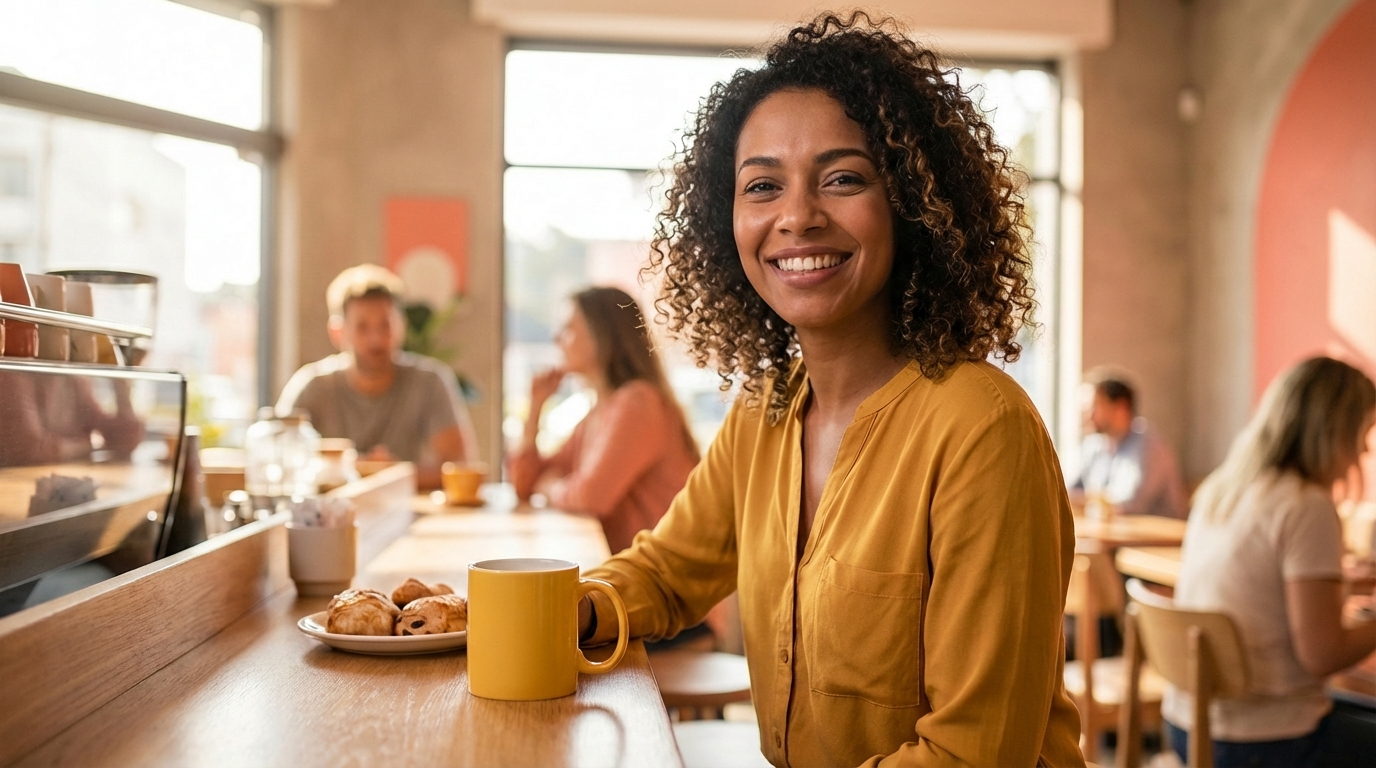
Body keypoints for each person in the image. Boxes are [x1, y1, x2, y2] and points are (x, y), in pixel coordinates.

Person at [577, 13, 1084, 767]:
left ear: (912, 203)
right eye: (762, 187)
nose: (798, 217)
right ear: (730, 222)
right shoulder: (767, 409)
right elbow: (666, 572)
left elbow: (972, 754)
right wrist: (539, 613)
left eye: (843, 179)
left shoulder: (982, 428)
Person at [1164, 357, 1376, 768]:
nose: (1365, 448)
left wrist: (1343, 585)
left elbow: (1264, 591)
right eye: (1363, 432)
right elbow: (1323, 655)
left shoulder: (1224, 489)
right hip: (1262, 742)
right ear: (1333, 430)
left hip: (1188, 726)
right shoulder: (1307, 505)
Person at [510, 286, 700, 554]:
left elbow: (589, 498)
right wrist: (535, 408)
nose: (557, 339)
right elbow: (524, 485)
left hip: (665, 583)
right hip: (629, 572)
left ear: (603, 335)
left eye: (569, 329)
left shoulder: (638, 403)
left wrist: (552, 487)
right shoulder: (601, 409)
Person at [276, 264, 478, 490]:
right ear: (337, 332)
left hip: (403, 515)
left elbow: (460, 467)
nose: (376, 338)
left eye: (386, 325)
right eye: (362, 327)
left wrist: (394, 474)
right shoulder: (312, 386)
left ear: (402, 326)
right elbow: (275, 461)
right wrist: (346, 470)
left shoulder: (429, 382)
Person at [1070, 369, 1188, 519]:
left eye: (1094, 406)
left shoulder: (1150, 446)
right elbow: (1066, 493)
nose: (1087, 415)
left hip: (1154, 540)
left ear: (1121, 408)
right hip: (1114, 537)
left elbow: (1129, 506)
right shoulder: (1094, 444)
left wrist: (1088, 500)